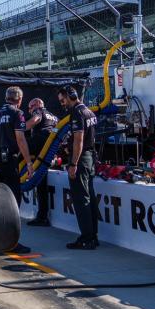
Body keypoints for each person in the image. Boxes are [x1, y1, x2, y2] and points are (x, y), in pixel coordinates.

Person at [58, 85, 99, 250]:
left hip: (81, 160)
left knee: (81, 200)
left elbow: (78, 140)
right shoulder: (88, 111)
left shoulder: (76, 112)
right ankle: (92, 236)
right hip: (89, 158)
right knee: (90, 198)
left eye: (63, 100)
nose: (62, 104)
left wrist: (73, 163)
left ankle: (87, 238)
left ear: (71, 96)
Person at [0, 86, 33, 205]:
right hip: (9, 160)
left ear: (6, 98)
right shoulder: (17, 113)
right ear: (19, 99)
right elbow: (20, 139)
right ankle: (13, 220)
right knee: (13, 194)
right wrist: (28, 162)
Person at [25, 98, 58, 226]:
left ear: (37, 105)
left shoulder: (39, 110)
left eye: (30, 108)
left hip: (38, 143)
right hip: (48, 149)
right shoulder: (54, 117)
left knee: (16, 143)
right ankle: (42, 216)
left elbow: (35, 120)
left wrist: (19, 129)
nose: (29, 110)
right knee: (41, 182)